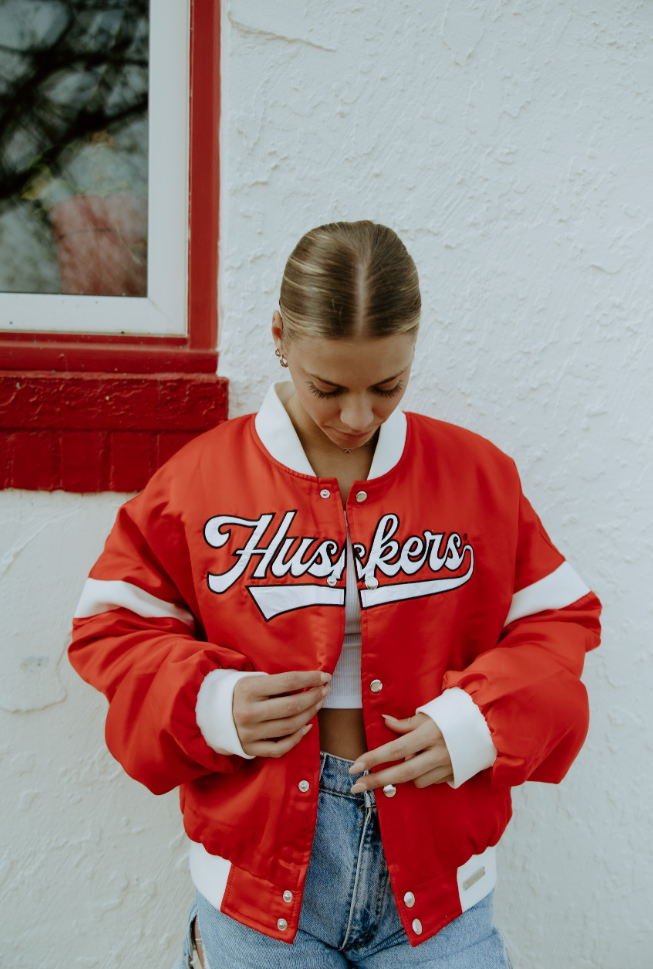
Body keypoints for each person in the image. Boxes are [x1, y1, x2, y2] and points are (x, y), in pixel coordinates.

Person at [69, 221, 601, 968]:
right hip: (259, 879)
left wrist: (474, 721)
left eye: (386, 386)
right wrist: (212, 702)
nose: (356, 417)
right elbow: (109, 632)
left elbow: (558, 625)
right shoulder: (198, 481)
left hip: (438, 881)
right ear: (280, 337)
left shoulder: (477, 476)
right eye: (328, 388)